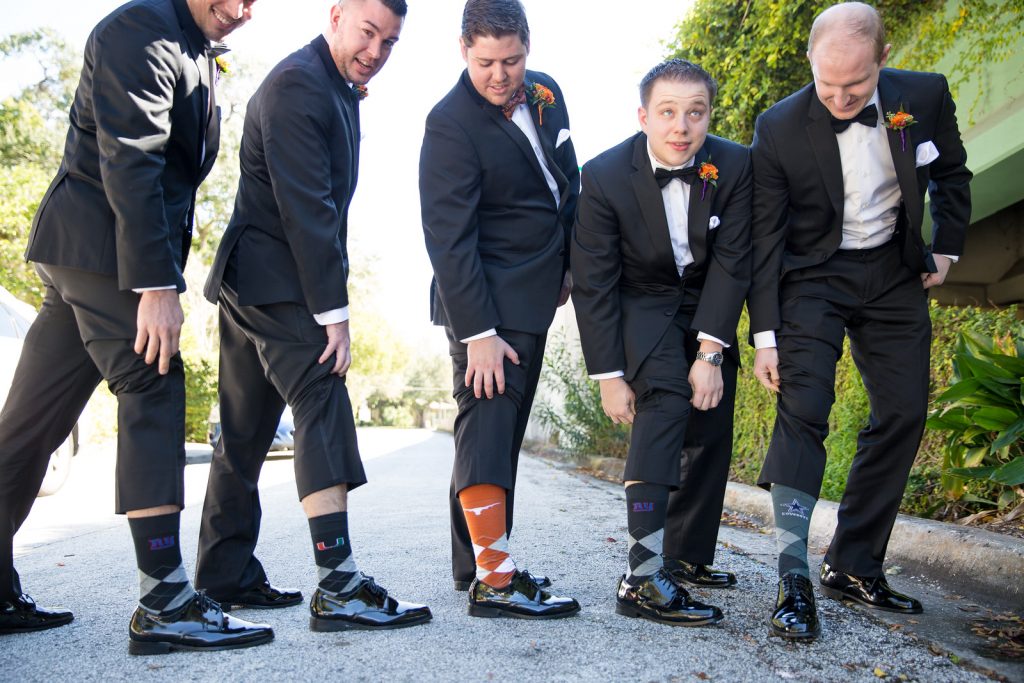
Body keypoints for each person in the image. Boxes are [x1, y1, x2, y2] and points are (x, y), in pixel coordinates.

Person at [0, 0, 273, 655]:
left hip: (82, 255)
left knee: (31, 425)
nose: (240, 8)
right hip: (105, 251)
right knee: (153, 380)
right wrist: (157, 285)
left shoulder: (194, 46)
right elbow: (133, 158)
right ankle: (164, 598)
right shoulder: (143, 30)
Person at [196, 0, 431, 632]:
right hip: (276, 280)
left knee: (246, 432)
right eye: (367, 32)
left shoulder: (332, 86)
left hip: (255, 278)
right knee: (322, 393)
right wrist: (334, 313)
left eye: (389, 41)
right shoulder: (300, 84)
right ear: (335, 16)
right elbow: (310, 210)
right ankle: (338, 581)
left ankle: (224, 574)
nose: (376, 51)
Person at [747, 2, 971, 640]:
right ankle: (793, 580)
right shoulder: (779, 126)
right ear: (810, 63)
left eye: (858, 84)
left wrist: (946, 246)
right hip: (812, 277)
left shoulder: (923, 95)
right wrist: (766, 336)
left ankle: (853, 564)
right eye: (827, 84)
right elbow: (764, 239)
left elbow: (952, 173)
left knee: (902, 413)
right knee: (804, 409)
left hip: (894, 272)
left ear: (883, 57)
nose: (842, 97)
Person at [572, 59, 751, 626]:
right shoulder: (601, 176)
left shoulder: (736, 165)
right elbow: (594, 283)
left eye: (695, 113)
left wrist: (710, 352)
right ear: (643, 116)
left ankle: (686, 558)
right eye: (668, 112)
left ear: (708, 116)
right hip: (639, 304)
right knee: (668, 401)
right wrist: (608, 376)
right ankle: (643, 577)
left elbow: (733, 261)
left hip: (704, 303)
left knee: (710, 416)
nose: (681, 126)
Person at [419, 0, 580, 619]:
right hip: (484, 300)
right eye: (486, 61)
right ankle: (496, 581)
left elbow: (565, 177)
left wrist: (570, 260)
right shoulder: (449, 123)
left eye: (511, 61)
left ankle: (477, 565)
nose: (499, 75)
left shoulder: (546, 92)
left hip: (537, 293)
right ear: (464, 50)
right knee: (487, 422)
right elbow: (448, 236)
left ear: (527, 47)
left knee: (498, 435)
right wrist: (478, 332)